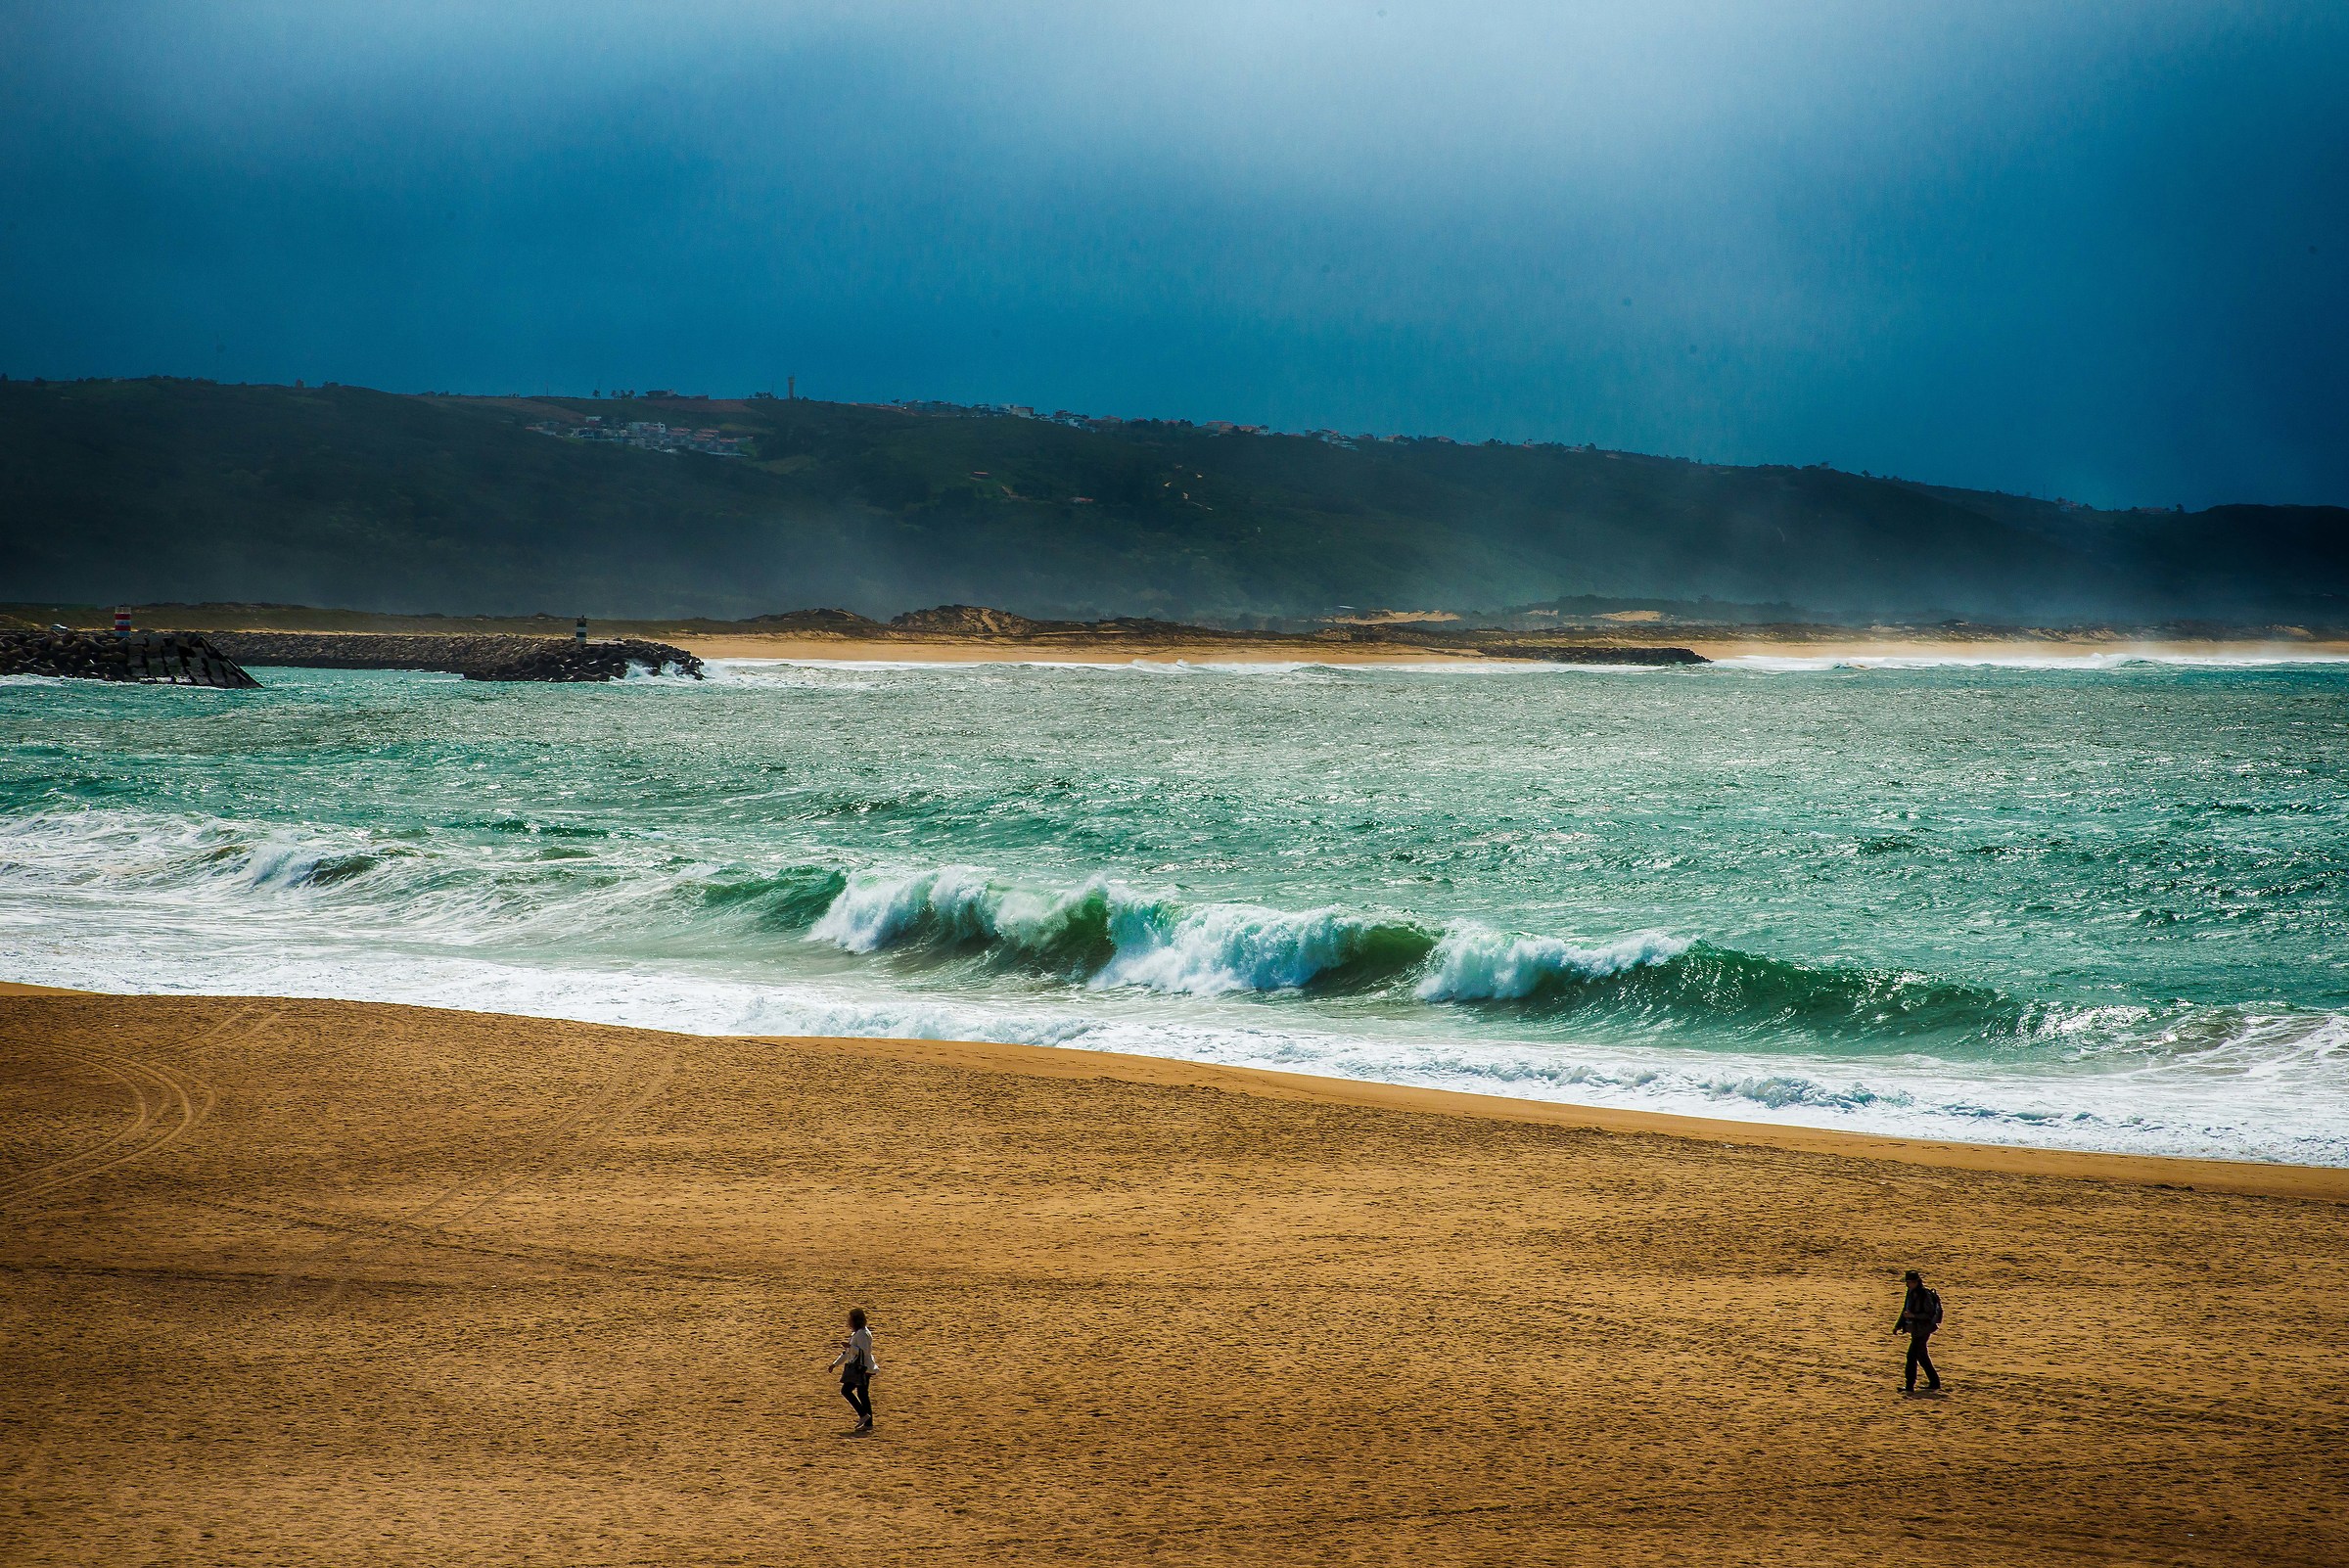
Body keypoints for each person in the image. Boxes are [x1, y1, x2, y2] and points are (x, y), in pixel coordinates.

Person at [828, 1308, 876, 1433]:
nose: (848, 1321)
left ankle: (864, 1416)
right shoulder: (857, 1333)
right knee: (862, 1394)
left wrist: (850, 1347)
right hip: (862, 1368)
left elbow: (863, 1351)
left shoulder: (862, 1334)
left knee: (847, 1390)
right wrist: (835, 1364)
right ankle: (868, 1422)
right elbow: (847, 1353)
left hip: (863, 1368)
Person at [1895, 1269, 1943, 1394]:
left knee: (1911, 1356)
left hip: (1923, 1330)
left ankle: (1910, 1386)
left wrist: (1913, 1315)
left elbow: (1928, 1314)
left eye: (1909, 1282)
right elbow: (1904, 1310)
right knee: (1922, 1357)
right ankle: (1934, 1383)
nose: (1907, 1284)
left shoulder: (1924, 1295)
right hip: (1916, 1330)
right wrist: (1898, 1325)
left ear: (1916, 1282)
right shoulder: (1910, 1292)